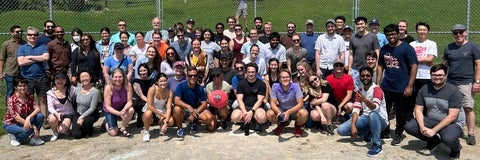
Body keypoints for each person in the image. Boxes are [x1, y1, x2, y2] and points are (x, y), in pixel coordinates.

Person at [404, 64, 465, 159]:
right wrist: (422, 127)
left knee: (448, 139)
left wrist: (433, 130)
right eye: (434, 75)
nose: (437, 77)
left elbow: (452, 116)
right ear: (430, 75)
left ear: (445, 76)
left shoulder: (453, 91)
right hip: (431, 119)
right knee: (410, 127)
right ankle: (434, 141)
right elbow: (418, 109)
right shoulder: (424, 89)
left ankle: (456, 149)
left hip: (452, 123)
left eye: (440, 75)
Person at [377, 24, 418, 145]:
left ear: (397, 34)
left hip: (402, 85)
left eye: (393, 34)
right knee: (384, 109)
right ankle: (385, 130)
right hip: (387, 84)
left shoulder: (406, 48)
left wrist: (410, 86)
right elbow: (380, 66)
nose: (391, 37)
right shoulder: (384, 49)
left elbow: (414, 66)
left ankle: (399, 132)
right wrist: (378, 83)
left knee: (400, 111)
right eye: (388, 35)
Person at [337, 66, 389, 157]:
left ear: (372, 76)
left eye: (368, 75)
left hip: (381, 120)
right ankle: (369, 132)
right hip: (366, 118)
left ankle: (377, 145)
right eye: (363, 75)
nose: (365, 77)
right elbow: (356, 110)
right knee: (341, 130)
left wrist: (365, 100)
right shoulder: (360, 92)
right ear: (360, 77)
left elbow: (374, 107)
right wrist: (353, 125)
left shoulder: (377, 89)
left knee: (373, 114)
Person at [443, 24, 480, 146]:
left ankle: (470, 134)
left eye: (461, 32)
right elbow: (445, 65)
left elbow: (478, 65)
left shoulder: (472, 46)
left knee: (468, 108)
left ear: (465, 32)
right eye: (455, 32)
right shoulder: (449, 48)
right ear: (452, 34)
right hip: (451, 82)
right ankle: (453, 130)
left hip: (466, 82)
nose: (458, 34)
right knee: (450, 108)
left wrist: (477, 82)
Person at [17, 27, 50, 129]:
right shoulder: (22, 48)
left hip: (41, 77)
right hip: (27, 78)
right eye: (30, 35)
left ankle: (44, 119)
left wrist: (30, 57)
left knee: (43, 99)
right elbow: (21, 62)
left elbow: (46, 58)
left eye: (35, 35)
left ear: (37, 36)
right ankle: (31, 119)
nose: (32, 36)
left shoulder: (42, 46)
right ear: (27, 36)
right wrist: (38, 58)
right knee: (29, 99)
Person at [173, 67, 216, 140]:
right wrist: (188, 106)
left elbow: (204, 103)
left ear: (197, 76)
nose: (192, 77)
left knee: (208, 118)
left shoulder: (200, 88)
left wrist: (194, 114)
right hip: (184, 110)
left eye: (195, 75)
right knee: (176, 109)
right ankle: (180, 129)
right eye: (190, 75)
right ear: (187, 76)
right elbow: (176, 101)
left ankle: (192, 123)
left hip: (195, 109)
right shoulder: (181, 86)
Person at [3, 76, 45, 146]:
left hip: (25, 119)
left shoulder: (29, 96)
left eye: (24, 85)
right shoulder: (11, 100)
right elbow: (17, 118)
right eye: (20, 86)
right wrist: (33, 126)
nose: (23, 88)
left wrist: (29, 117)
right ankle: (14, 136)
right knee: (28, 131)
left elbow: (37, 108)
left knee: (40, 116)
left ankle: (34, 138)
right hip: (11, 123)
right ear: (15, 87)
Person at [267, 70, 307, 137]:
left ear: (290, 78)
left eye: (287, 77)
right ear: (279, 79)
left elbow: (300, 103)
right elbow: (272, 103)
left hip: (295, 110)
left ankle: (297, 126)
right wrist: (278, 113)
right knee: (269, 114)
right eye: (283, 77)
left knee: (304, 113)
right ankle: (281, 123)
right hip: (282, 109)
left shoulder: (296, 86)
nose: (285, 79)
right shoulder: (275, 86)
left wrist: (288, 112)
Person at [231, 62, 268, 135]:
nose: (251, 74)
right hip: (244, 106)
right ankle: (243, 122)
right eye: (249, 72)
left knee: (262, 118)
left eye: (253, 72)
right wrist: (244, 112)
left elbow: (260, 101)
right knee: (234, 117)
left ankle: (257, 122)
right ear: (246, 72)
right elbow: (239, 100)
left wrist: (252, 111)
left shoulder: (261, 84)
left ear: (256, 73)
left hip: (257, 107)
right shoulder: (241, 84)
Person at [409, 22, 437, 106]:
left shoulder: (431, 43)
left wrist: (415, 60)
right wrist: (425, 60)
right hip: (414, 76)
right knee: (412, 99)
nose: (422, 32)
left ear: (428, 31)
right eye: (420, 30)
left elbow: (430, 58)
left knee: (426, 99)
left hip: (426, 76)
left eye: (424, 30)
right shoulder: (412, 44)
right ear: (416, 31)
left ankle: (425, 117)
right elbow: (409, 60)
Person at [348, 16, 380, 90]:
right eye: (358, 24)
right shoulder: (353, 38)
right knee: (356, 90)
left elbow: (377, 52)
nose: (360, 26)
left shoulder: (373, 37)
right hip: (355, 69)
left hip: (369, 68)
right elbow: (351, 54)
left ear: (366, 24)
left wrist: (376, 65)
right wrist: (350, 69)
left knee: (369, 90)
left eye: (362, 24)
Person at [102, 68, 134, 137]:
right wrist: (119, 114)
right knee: (113, 133)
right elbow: (108, 107)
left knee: (131, 110)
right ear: (112, 77)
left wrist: (124, 110)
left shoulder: (128, 85)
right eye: (115, 77)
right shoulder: (108, 88)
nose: (118, 79)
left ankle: (123, 127)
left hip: (122, 106)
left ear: (123, 77)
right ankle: (106, 123)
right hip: (110, 109)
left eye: (120, 77)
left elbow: (129, 102)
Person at [142, 73, 173, 142]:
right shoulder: (152, 89)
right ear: (157, 82)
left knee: (171, 122)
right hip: (152, 109)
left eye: (165, 81)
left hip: (162, 109)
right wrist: (161, 114)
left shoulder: (169, 92)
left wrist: (166, 123)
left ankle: (162, 124)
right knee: (148, 114)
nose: (163, 83)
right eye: (161, 81)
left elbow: (169, 108)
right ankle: (146, 131)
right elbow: (149, 106)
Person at [47, 72, 76, 141]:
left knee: (62, 130)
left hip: (68, 114)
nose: (60, 81)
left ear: (66, 80)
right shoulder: (50, 92)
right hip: (57, 114)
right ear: (54, 80)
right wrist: (56, 114)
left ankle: (66, 128)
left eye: (63, 79)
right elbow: (50, 107)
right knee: (51, 118)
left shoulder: (71, 89)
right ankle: (55, 132)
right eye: (58, 79)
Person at [71, 70, 100, 139]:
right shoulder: (77, 89)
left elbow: (92, 108)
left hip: (91, 114)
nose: (84, 79)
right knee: (76, 135)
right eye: (82, 77)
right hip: (78, 112)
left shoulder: (95, 92)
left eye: (86, 76)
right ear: (79, 79)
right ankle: (83, 128)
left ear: (90, 77)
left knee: (85, 122)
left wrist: (81, 117)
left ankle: (89, 128)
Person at [0, 25, 25, 102]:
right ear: (11, 33)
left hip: (22, 72)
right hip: (10, 71)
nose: (20, 33)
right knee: (10, 91)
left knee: (22, 91)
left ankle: (20, 108)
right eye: (17, 32)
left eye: (21, 31)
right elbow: (2, 58)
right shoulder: (6, 44)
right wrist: (0, 72)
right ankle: (9, 111)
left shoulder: (25, 44)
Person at [132, 64, 154, 128]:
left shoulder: (152, 81)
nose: (142, 72)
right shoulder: (136, 81)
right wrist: (149, 102)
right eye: (140, 71)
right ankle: (141, 119)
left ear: (147, 71)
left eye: (144, 70)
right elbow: (141, 95)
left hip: (151, 99)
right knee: (142, 104)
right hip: (140, 100)